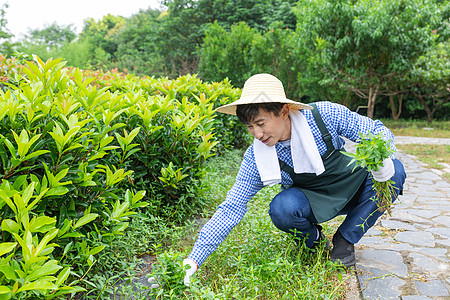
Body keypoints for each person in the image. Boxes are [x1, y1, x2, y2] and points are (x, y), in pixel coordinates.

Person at [149, 73, 407, 287]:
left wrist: (382, 161)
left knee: (394, 172)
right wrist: (194, 259)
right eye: (250, 127)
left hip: (351, 185)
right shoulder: (256, 157)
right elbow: (232, 207)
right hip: (310, 199)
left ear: (284, 111)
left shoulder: (324, 115)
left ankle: (345, 239)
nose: (257, 134)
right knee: (282, 208)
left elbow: (376, 131)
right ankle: (315, 241)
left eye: (261, 123)